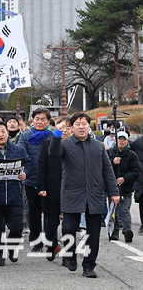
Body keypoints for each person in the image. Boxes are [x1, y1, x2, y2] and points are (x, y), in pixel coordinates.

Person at [49, 112, 119, 278]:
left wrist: (114, 193)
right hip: (71, 193)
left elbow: (108, 172)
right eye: (77, 124)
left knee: (93, 233)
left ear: (89, 126)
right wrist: (57, 133)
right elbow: (53, 153)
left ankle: (89, 266)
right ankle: (70, 256)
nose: (81, 127)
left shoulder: (98, 146)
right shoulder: (65, 144)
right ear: (72, 127)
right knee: (68, 228)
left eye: (84, 124)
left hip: (94, 195)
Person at [0, 120, 30, 266]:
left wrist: (25, 173)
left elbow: (29, 164)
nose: (1, 135)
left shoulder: (18, 150)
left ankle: (13, 247)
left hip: (14, 196)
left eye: (3, 131)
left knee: (17, 227)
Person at [17, 108, 53, 252]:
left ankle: (50, 241)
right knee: (33, 213)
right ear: (32, 121)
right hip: (31, 180)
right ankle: (36, 242)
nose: (39, 122)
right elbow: (21, 154)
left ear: (48, 122)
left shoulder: (52, 137)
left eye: (43, 119)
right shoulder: (25, 136)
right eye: (37, 119)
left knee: (50, 214)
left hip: (49, 182)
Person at [37, 116, 71, 261]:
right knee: (50, 224)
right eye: (60, 127)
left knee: (68, 225)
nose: (64, 131)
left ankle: (68, 255)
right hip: (51, 189)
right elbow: (41, 168)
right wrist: (42, 187)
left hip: (71, 190)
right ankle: (52, 245)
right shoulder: (47, 145)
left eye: (67, 128)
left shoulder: (74, 146)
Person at [107, 131, 141, 242]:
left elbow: (136, 171)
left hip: (126, 188)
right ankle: (114, 232)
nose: (121, 141)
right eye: (119, 139)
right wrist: (113, 163)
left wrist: (124, 178)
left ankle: (127, 231)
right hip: (112, 188)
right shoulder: (110, 153)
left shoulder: (132, 155)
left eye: (123, 139)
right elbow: (103, 169)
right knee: (114, 211)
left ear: (127, 141)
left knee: (125, 210)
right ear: (115, 140)